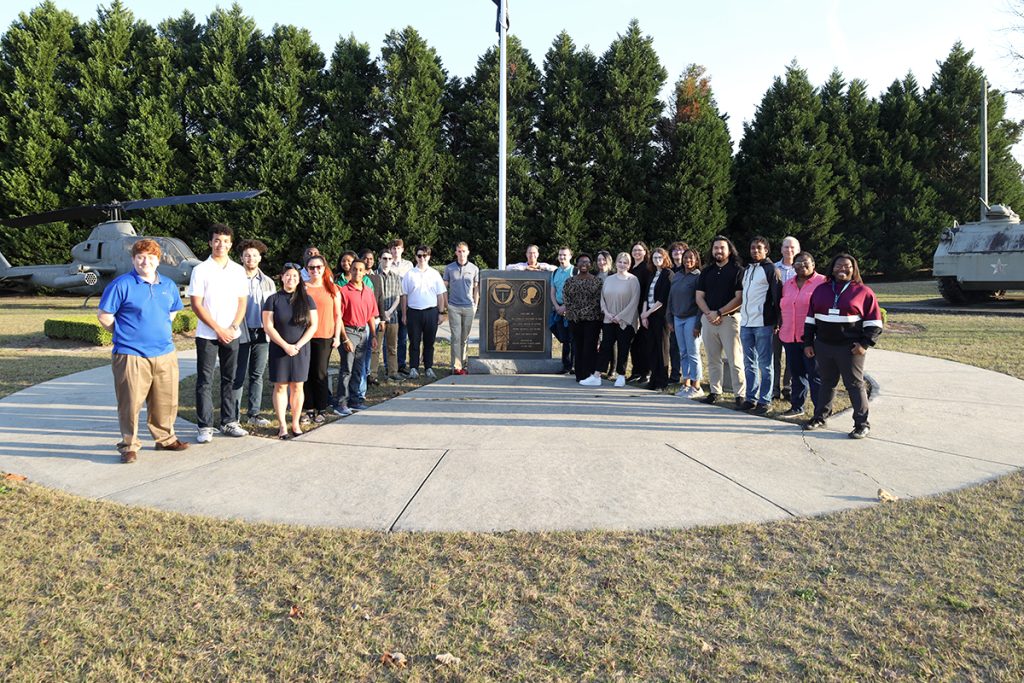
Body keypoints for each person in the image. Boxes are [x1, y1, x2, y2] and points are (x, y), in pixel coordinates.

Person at [97, 239, 188, 463]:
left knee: (166, 400)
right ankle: (129, 445)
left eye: (150, 257)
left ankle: (165, 438)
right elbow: (104, 316)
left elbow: (173, 312)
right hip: (131, 354)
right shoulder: (121, 285)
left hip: (165, 352)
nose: (145, 261)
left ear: (158, 260)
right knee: (130, 403)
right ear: (133, 260)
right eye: (140, 257)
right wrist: (124, 335)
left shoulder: (168, 285)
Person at [803, 253, 883, 439]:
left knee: (854, 385)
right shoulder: (821, 290)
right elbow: (810, 319)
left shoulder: (863, 292)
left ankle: (862, 424)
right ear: (832, 268)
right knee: (827, 383)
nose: (843, 269)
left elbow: (875, 323)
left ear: (854, 269)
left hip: (850, 348)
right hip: (823, 345)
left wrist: (864, 344)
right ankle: (820, 417)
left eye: (847, 266)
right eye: (839, 265)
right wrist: (808, 342)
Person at [188, 223, 249, 442]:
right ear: (210, 242)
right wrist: (217, 329)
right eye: (216, 240)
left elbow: (242, 302)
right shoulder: (200, 270)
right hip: (207, 335)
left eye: (225, 241)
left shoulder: (238, 270)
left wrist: (233, 327)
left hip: (232, 333)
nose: (220, 245)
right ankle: (204, 426)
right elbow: (196, 304)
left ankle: (229, 421)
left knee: (229, 379)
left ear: (230, 245)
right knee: (205, 380)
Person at [262, 263, 317, 438]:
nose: (291, 279)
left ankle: (295, 424)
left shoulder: (307, 300)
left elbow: (313, 325)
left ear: (299, 278)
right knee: (280, 386)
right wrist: (285, 345)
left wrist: (298, 345)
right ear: (282, 277)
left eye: (294, 276)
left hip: (301, 349)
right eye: (287, 275)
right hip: (280, 349)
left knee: (298, 386)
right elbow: (268, 326)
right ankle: (283, 426)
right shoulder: (273, 299)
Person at [695, 235, 745, 405]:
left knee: (735, 359)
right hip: (708, 320)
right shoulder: (706, 271)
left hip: (730, 320)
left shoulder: (738, 270)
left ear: (729, 250)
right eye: (715, 248)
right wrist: (709, 313)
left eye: (722, 248)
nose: (718, 251)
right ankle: (715, 392)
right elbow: (699, 296)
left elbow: (739, 298)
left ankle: (740, 394)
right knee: (712, 358)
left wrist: (719, 312)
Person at [232, 239, 276, 428]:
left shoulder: (267, 282)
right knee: (238, 375)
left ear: (260, 258)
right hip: (240, 332)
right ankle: (233, 416)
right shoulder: (234, 279)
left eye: (254, 255)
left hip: (261, 333)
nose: (251, 258)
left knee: (257, 375)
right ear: (241, 258)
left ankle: (254, 413)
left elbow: (273, 308)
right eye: (247, 255)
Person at [779, 251, 826, 417]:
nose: (802, 266)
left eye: (806, 262)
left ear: (813, 264)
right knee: (797, 373)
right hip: (789, 336)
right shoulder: (788, 284)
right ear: (793, 266)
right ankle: (797, 406)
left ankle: (820, 412)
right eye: (797, 263)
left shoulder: (823, 282)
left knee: (815, 375)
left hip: (811, 339)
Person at [739, 236, 782, 414]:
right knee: (749, 363)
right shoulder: (748, 269)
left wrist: (777, 321)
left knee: (765, 364)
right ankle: (751, 398)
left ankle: (765, 400)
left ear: (766, 251)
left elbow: (778, 297)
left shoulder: (771, 269)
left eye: (759, 248)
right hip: (746, 323)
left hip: (763, 323)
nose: (755, 251)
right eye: (752, 248)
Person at [335, 259, 379, 415]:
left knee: (358, 369)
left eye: (361, 270)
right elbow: (338, 317)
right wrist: (345, 338)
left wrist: (373, 335)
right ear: (350, 270)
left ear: (365, 272)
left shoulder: (368, 291)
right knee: (346, 369)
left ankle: (355, 400)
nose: (357, 272)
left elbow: (371, 316)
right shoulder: (344, 291)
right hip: (349, 331)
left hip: (364, 333)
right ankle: (341, 403)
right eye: (354, 269)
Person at [301, 254, 341, 423]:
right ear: (307, 270)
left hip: (324, 336)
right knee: (306, 373)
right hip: (304, 337)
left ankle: (321, 409)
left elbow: (338, 315)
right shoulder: (302, 287)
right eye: (311, 267)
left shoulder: (332, 288)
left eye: (319, 267)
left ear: (324, 268)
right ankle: (308, 408)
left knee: (320, 373)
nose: (315, 270)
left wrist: (337, 336)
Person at [401, 245, 446, 379]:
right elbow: (404, 295)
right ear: (415, 257)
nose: (422, 258)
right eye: (419, 255)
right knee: (414, 342)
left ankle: (428, 367)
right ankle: (414, 368)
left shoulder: (434, 274)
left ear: (429, 257)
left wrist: (441, 312)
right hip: (414, 312)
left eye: (424, 255)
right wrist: (404, 314)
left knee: (429, 342)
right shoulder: (409, 274)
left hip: (431, 312)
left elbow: (440, 295)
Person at [599, 252, 641, 387]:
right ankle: (597, 374)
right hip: (609, 319)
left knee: (623, 348)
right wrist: (607, 313)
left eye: (625, 262)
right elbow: (602, 299)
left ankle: (621, 375)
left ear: (629, 265)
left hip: (625, 321)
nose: (622, 265)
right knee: (605, 347)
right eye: (620, 262)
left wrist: (620, 316)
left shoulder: (633, 280)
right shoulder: (609, 279)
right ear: (616, 263)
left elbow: (634, 302)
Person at [563, 254, 604, 386]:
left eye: (586, 262)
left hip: (592, 319)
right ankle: (579, 374)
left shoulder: (597, 281)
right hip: (574, 320)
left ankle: (589, 374)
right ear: (577, 264)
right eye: (581, 261)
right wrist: (575, 313)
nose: (584, 264)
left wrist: (582, 312)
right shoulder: (570, 281)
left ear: (591, 265)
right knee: (578, 346)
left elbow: (597, 300)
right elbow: (566, 298)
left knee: (590, 347)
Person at [669, 247, 704, 398]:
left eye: (691, 258)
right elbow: (670, 299)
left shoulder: (698, 277)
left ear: (696, 260)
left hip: (691, 318)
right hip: (677, 318)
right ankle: (686, 384)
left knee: (693, 352)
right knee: (683, 353)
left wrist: (697, 324)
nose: (688, 260)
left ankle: (696, 386)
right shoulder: (676, 276)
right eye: (685, 257)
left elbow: (701, 302)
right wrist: (669, 319)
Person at [443, 241, 480, 375]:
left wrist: (476, 305)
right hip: (454, 307)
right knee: (456, 337)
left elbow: (476, 288)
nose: (461, 253)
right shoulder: (449, 268)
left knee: (465, 337)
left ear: (468, 252)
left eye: (464, 251)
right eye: (459, 251)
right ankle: (456, 366)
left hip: (469, 307)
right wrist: (446, 304)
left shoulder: (474, 269)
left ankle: (464, 364)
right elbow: (444, 287)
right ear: (456, 253)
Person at [640, 247, 672, 390]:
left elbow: (662, 299)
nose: (657, 260)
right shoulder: (652, 274)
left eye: (660, 257)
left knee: (662, 349)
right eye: (654, 258)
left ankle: (662, 381)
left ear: (665, 258)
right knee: (651, 348)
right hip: (650, 317)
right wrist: (644, 314)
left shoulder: (668, 274)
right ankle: (653, 380)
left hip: (661, 317)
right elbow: (647, 295)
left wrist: (648, 313)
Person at [773, 235, 800, 400]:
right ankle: (774, 388)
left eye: (792, 247)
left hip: (794, 319)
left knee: (792, 355)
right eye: (786, 247)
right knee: (774, 355)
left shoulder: (803, 269)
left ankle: (787, 387)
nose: (789, 250)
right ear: (781, 249)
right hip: (776, 318)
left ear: (798, 250)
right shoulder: (773, 268)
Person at [627, 241, 655, 383]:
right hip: (630, 310)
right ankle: (636, 370)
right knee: (634, 343)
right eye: (634, 250)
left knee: (644, 342)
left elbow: (646, 291)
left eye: (640, 250)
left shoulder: (647, 268)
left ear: (645, 252)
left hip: (642, 309)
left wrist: (643, 313)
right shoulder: (630, 267)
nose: (637, 252)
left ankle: (646, 372)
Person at [388, 238, 415, 374]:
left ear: (402, 250)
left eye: (398, 248)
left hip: (404, 304)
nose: (395, 251)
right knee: (389, 337)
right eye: (393, 248)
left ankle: (401, 364)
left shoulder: (408, 265)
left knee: (403, 337)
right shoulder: (385, 263)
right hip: (390, 304)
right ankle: (389, 365)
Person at [549, 246, 575, 374]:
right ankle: (566, 366)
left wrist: (566, 306)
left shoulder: (574, 271)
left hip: (571, 309)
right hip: (558, 309)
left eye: (564, 255)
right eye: (560, 255)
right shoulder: (555, 272)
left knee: (572, 339)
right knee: (564, 339)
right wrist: (557, 306)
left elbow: (576, 293)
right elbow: (552, 291)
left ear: (570, 256)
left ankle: (573, 366)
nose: (562, 257)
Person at [377, 249, 403, 380]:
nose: (387, 261)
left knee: (392, 347)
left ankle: (393, 372)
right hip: (377, 318)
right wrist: (382, 313)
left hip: (392, 317)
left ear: (392, 261)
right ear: (380, 260)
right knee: (375, 347)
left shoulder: (396, 277)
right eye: (384, 258)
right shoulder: (374, 277)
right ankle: (373, 374)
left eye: (389, 259)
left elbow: (398, 297)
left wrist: (389, 312)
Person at [667, 241, 690, 383]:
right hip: (671, 311)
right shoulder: (669, 270)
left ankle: (685, 376)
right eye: (675, 250)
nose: (677, 253)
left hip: (685, 313)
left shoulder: (687, 270)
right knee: (673, 345)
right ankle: (675, 374)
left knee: (685, 347)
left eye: (681, 251)